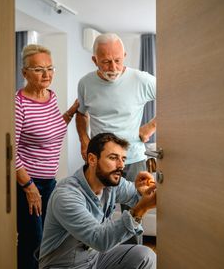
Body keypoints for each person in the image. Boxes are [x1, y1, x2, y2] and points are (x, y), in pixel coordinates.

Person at [76, 33, 157, 243]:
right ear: (94, 60)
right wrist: (84, 139)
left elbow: (175, 97)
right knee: (97, 218)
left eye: (118, 60)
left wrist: (151, 126)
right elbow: (81, 113)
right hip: (100, 162)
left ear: (125, 56)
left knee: (134, 216)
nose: (113, 67)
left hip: (133, 160)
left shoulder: (141, 79)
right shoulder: (85, 83)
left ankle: (133, 259)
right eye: (105, 62)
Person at [39, 133, 157, 269]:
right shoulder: (66, 196)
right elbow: (99, 240)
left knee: (145, 256)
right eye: (113, 158)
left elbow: (138, 198)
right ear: (92, 159)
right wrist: (140, 210)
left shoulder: (112, 183)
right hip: (65, 265)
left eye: (123, 159)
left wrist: (142, 192)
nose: (121, 165)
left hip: (95, 258)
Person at [15, 44, 79, 269]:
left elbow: (54, 129)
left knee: (48, 239)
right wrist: (29, 186)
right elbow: (9, 152)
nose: (46, 74)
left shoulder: (51, 97)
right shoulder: (19, 103)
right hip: (28, 184)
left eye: (50, 68)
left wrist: (71, 112)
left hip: (49, 181)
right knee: (32, 240)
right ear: (24, 73)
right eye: (39, 69)